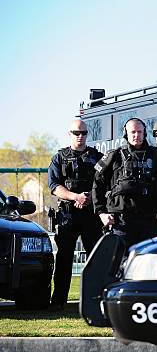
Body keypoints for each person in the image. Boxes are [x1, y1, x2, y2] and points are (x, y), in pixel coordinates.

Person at [92, 118, 157, 248]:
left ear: (144, 133)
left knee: (148, 260)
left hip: (149, 220)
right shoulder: (114, 156)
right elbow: (97, 184)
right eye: (133, 132)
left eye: (139, 132)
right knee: (122, 263)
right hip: (121, 221)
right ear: (126, 134)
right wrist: (101, 213)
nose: (136, 135)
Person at [47, 119, 103, 310]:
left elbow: (105, 183)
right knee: (63, 259)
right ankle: (59, 301)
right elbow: (54, 186)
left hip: (92, 215)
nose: (80, 136)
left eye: (84, 133)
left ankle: (95, 300)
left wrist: (88, 196)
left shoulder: (98, 157)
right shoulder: (59, 158)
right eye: (76, 133)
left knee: (96, 259)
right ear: (69, 134)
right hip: (67, 215)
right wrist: (75, 197)